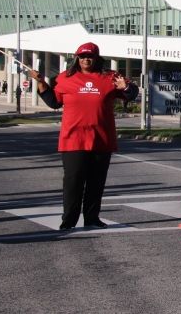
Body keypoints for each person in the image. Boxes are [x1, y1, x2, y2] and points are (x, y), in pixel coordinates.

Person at [29, 42, 138, 230]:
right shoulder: (65, 78)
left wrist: (126, 87)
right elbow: (54, 102)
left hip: (101, 139)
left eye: (90, 56)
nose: (86, 59)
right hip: (73, 139)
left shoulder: (110, 77)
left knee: (96, 183)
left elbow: (131, 94)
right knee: (73, 182)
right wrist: (40, 81)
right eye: (82, 56)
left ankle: (92, 218)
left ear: (97, 58)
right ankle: (69, 221)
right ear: (77, 58)